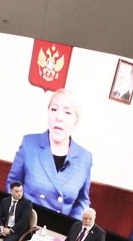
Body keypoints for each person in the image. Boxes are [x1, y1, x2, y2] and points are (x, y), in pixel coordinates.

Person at [6, 88, 93, 218]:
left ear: (76, 120)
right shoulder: (29, 144)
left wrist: (72, 225)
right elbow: (12, 184)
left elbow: (82, 202)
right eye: (54, 109)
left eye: (67, 112)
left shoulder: (85, 158)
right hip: (26, 221)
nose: (59, 117)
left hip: (61, 228)